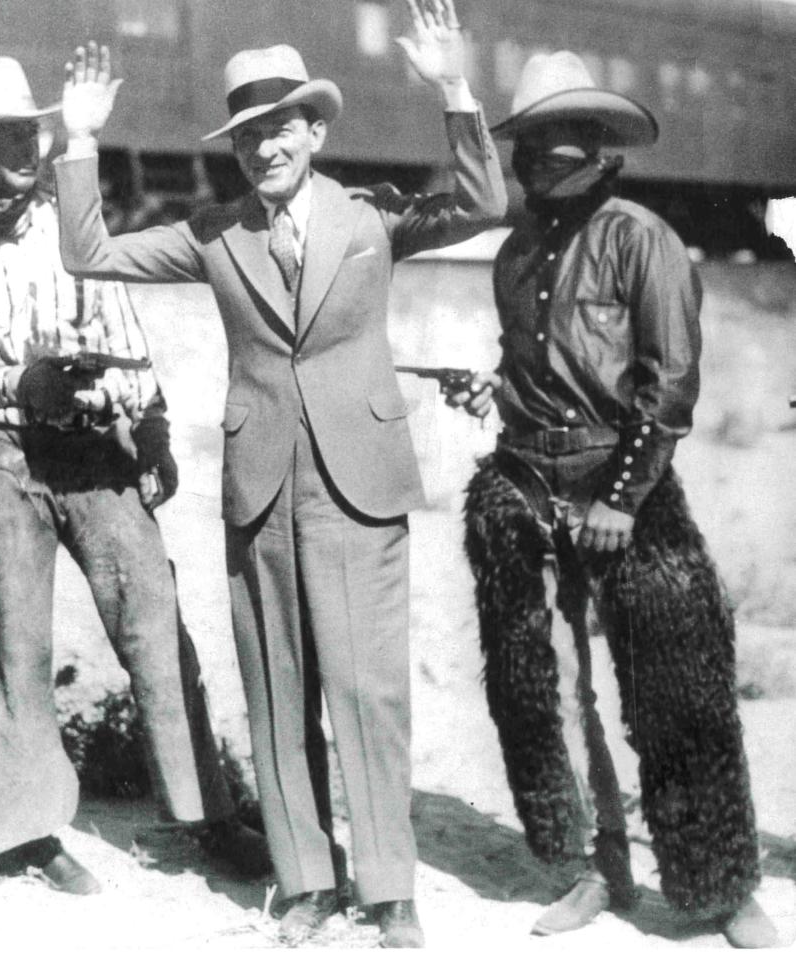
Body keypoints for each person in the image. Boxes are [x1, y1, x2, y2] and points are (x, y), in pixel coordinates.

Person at [53, 0, 505, 946]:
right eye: (249, 135)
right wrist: (81, 141)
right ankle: (306, 880)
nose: (265, 149)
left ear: (316, 130)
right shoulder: (216, 233)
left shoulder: (372, 216)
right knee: (276, 687)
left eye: (281, 129)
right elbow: (87, 252)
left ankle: (389, 886)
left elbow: (482, 204)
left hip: (360, 485)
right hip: (263, 486)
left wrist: (454, 91)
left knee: (369, 689)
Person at [0, 57, 269, 895]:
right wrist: (9, 386)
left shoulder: (72, 220)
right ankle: (31, 831)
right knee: (18, 649)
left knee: (155, 627)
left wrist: (154, 422)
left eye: (30, 130)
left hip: (98, 459)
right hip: (6, 464)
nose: (25, 147)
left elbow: (122, 324)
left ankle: (203, 814)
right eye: (2, 135)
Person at [450, 51, 778, 948]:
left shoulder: (641, 236)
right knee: (555, 691)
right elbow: (534, 378)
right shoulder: (515, 253)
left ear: (596, 139)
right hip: (525, 488)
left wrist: (626, 496)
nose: (550, 149)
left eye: (569, 131)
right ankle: (601, 865)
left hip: (620, 489)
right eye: (537, 134)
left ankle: (719, 882)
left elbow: (669, 383)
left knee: (677, 684)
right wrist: (495, 394)